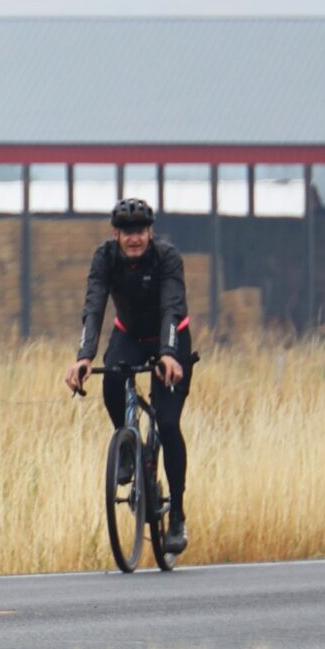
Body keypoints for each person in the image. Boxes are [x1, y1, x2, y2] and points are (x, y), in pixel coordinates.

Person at [64, 197, 194, 554]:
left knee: (167, 424)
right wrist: (84, 357)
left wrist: (169, 354)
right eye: (126, 232)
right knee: (111, 380)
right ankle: (127, 447)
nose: (134, 238)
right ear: (115, 233)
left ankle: (178, 515)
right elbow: (94, 307)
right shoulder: (104, 258)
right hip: (131, 335)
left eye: (140, 231)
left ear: (150, 232)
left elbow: (172, 306)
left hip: (171, 337)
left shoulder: (167, 258)